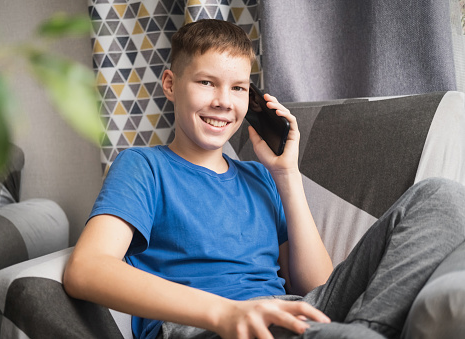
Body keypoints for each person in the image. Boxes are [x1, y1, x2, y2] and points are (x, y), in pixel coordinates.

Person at [63, 19, 465, 339]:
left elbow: (319, 285)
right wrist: (225, 312)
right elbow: (87, 269)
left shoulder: (261, 176)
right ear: (171, 84)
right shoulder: (143, 167)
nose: (223, 100)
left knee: (443, 196)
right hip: (207, 326)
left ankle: (363, 332)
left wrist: (286, 173)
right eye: (207, 82)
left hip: (291, 312)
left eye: (238, 87)